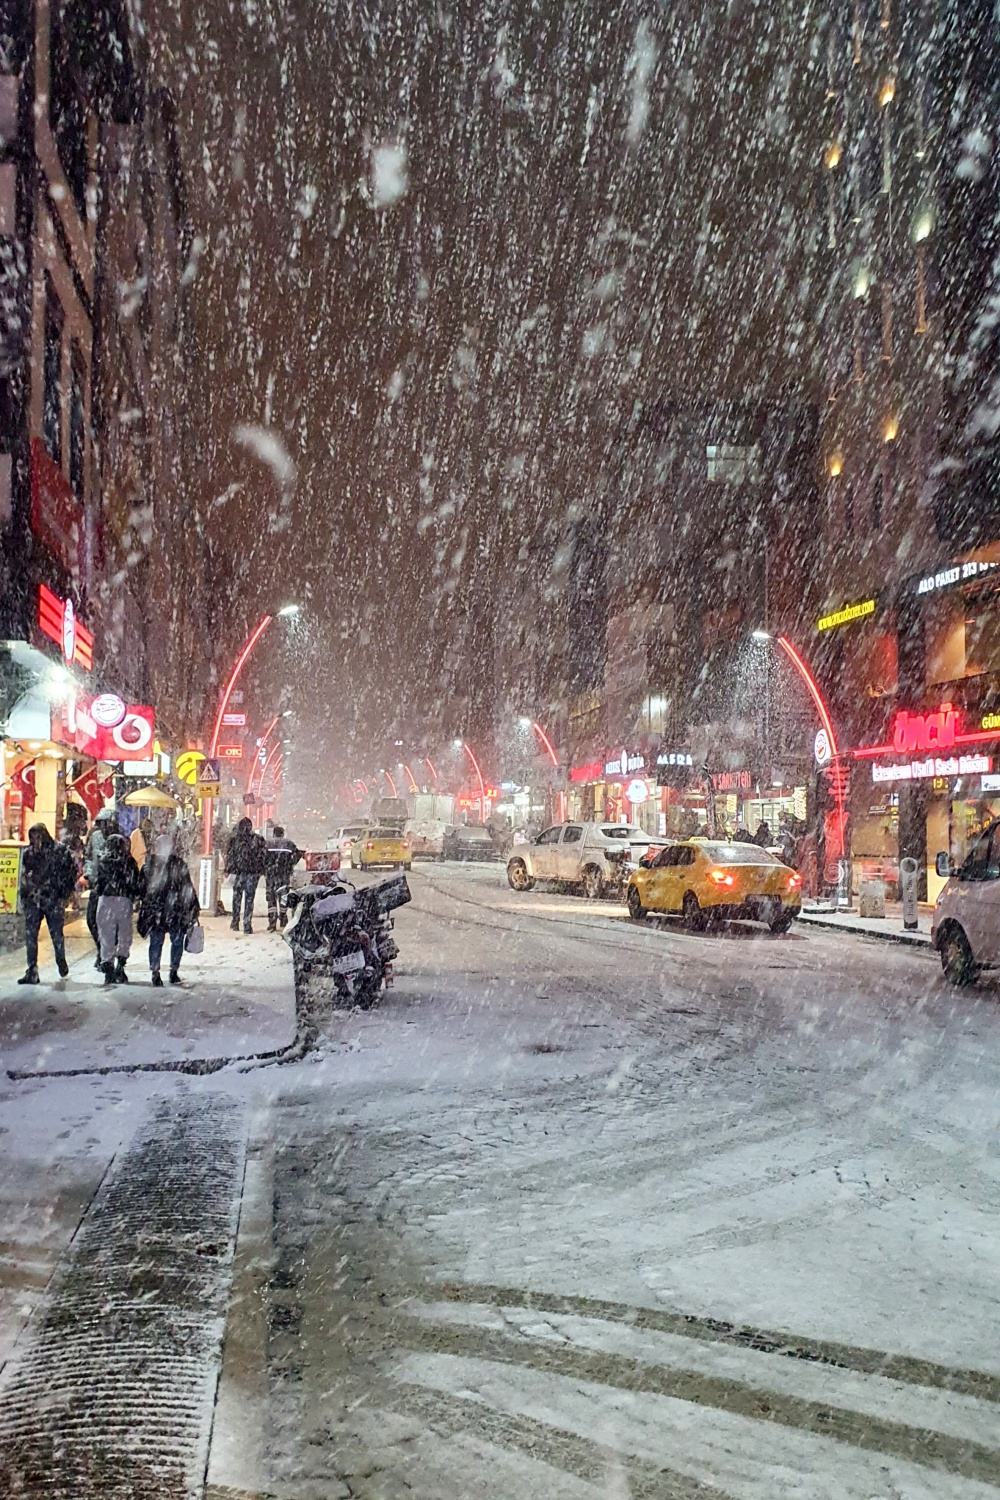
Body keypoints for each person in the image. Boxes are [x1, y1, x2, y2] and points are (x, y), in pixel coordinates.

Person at [17, 823, 77, 983]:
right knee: (31, 935)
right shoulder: (29, 853)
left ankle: (60, 960)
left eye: (38, 836)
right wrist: (25, 895)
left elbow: (70, 873)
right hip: (34, 899)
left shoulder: (59, 851)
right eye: (33, 837)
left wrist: (64, 894)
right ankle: (32, 969)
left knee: (56, 934)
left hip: (53, 898)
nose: (36, 840)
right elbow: (24, 875)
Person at [138, 834, 200, 985]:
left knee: (156, 942)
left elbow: (141, 888)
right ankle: (173, 971)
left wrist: (145, 904)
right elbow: (187, 887)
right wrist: (193, 906)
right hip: (175, 910)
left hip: (156, 910)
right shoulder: (178, 864)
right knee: (176, 941)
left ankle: (155, 972)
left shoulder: (149, 865)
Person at [93, 832, 143, 985]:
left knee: (106, 936)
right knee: (124, 935)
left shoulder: (103, 861)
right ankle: (120, 966)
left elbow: (97, 882)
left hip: (105, 900)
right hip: (124, 901)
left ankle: (108, 967)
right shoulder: (129, 861)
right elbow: (135, 882)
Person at [83, 809, 119, 967]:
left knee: (112, 923)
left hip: (113, 889)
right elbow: (88, 857)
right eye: (101, 824)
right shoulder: (95, 837)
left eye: (106, 823)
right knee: (92, 919)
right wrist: (89, 874)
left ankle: (108, 953)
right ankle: (101, 949)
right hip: (97, 886)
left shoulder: (119, 839)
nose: (104, 827)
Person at [225, 816, 267, 933]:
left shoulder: (235, 840)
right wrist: (261, 870)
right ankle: (247, 924)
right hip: (252, 874)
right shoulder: (258, 839)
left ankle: (235, 922)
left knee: (236, 898)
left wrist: (228, 869)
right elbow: (263, 856)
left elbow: (230, 855)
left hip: (239, 873)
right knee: (249, 899)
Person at [264, 825, 302, 931]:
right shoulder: (288, 844)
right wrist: (291, 864)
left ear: (273, 833)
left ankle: (272, 921)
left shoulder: (267, 844)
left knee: (271, 898)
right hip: (284, 874)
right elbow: (298, 854)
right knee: (283, 897)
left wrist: (266, 868)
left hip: (270, 875)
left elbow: (261, 857)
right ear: (283, 834)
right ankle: (283, 918)